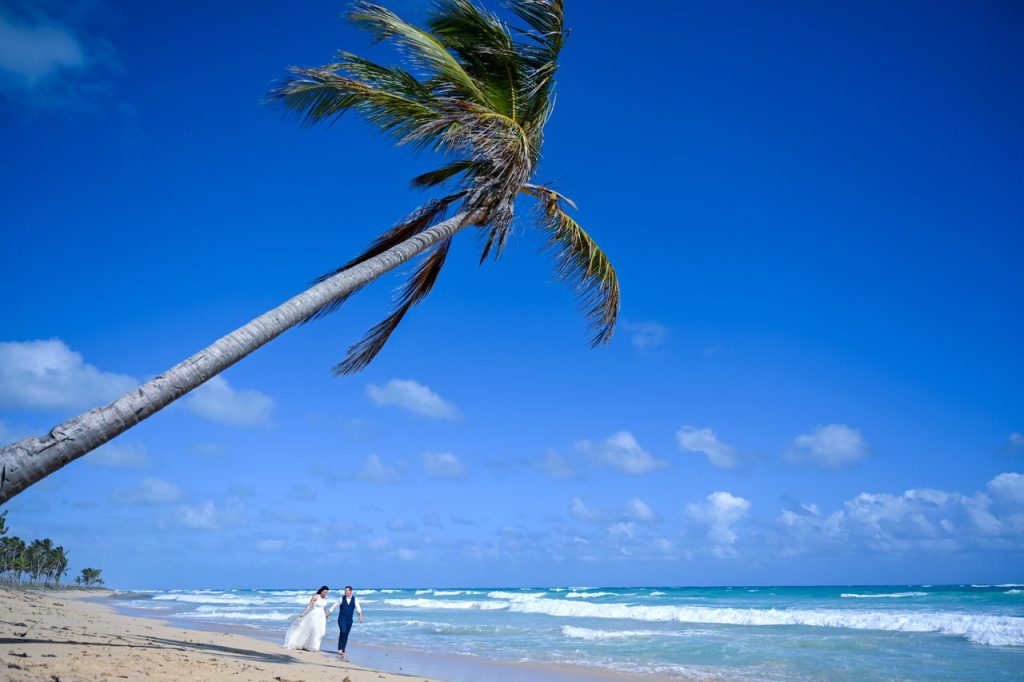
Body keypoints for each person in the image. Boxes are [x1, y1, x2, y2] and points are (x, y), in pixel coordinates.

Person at [283, 586, 329, 651]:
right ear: (321, 591)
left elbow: (324, 607)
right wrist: (303, 614)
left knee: (321, 632)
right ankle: (311, 646)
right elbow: (309, 606)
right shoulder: (316, 596)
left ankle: (315, 646)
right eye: (324, 592)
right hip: (314, 615)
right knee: (314, 630)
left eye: (326, 592)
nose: (325, 593)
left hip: (322, 617)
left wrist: (325, 614)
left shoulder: (326, 598)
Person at [325, 585, 363, 658]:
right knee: (343, 631)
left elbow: (358, 608)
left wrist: (360, 616)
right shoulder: (341, 598)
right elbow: (334, 606)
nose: (345, 592)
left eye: (346, 591)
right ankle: (340, 647)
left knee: (346, 634)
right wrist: (329, 613)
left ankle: (343, 649)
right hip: (341, 619)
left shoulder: (355, 599)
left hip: (349, 620)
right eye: (344, 591)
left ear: (350, 591)